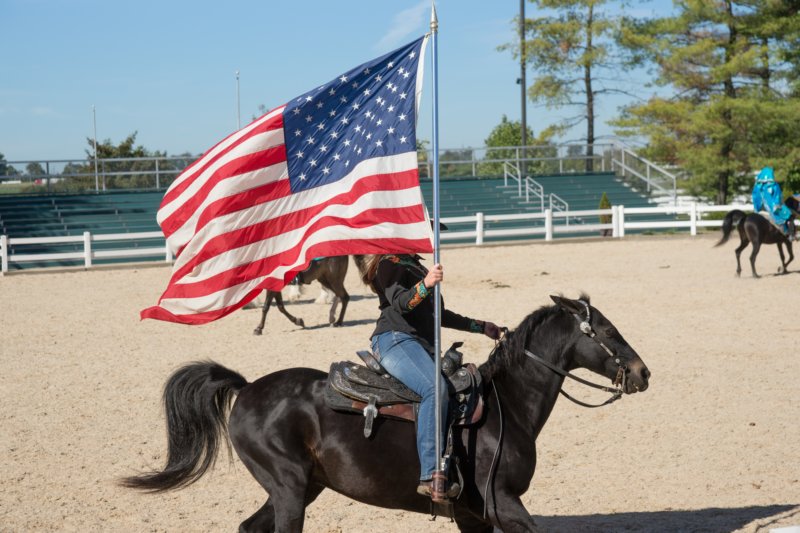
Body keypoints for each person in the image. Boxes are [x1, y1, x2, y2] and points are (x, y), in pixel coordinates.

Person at [359, 253, 502, 499]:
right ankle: (430, 474)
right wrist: (426, 283)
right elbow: (401, 303)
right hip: (395, 339)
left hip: (420, 346)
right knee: (435, 389)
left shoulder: (415, 265)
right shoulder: (388, 263)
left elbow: (439, 315)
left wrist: (479, 326)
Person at [752, 166, 793, 237]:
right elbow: (778, 197)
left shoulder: (757, 186)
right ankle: (789, 234)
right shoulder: (774, 185)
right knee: (788, 214)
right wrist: (778, 205)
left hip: (759, 208)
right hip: (771, 207)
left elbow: (754, 197)